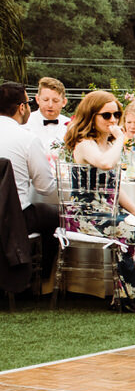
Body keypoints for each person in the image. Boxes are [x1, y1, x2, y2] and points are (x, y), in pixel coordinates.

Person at [60, 90, 135, 312]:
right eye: (106, 115)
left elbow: (115, 188)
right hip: (86, 215)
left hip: (109, 212)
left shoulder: (108, 144)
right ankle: (133, 298)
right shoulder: (85, 143)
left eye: (116, 114)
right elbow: (104, 164)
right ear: (92, 115)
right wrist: (121, 139)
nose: (113, 120)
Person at [0, 80, 58, 281]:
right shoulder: (26, 138)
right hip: (14, 219)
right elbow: (45, 188)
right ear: (22, 107)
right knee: (54, 215)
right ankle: (43, 281)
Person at [26, 77, 68, 151]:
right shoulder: (26, 123)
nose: (50, 105)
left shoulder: (70, 125)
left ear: (64, 102)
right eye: (45, 100)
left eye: (55, 101)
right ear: (37, 99)